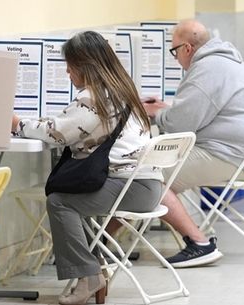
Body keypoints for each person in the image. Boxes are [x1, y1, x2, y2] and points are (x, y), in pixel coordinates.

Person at [11, 31, 161, 305]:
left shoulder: (95, 98)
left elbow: (57, 133)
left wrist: (15, 123)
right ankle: (96, 271)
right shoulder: (122, 91)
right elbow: (69, 125)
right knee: (78, 197)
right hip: (147, 185)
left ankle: (88, 276)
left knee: (60, 202)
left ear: (85, 65)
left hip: (131, 186)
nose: (67, 72)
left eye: (70, 65)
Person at [142, 19, 244, 268]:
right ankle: (203, 235)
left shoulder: (207, 69)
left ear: (187, 49)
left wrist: (157, 113)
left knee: (147, 177)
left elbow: (180, 125)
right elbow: (198, 111)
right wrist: (166, 109)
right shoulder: (226, 60)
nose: (175, 58)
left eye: (174, 51)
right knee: (165, 171)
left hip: (231, 156)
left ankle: (198, 243)